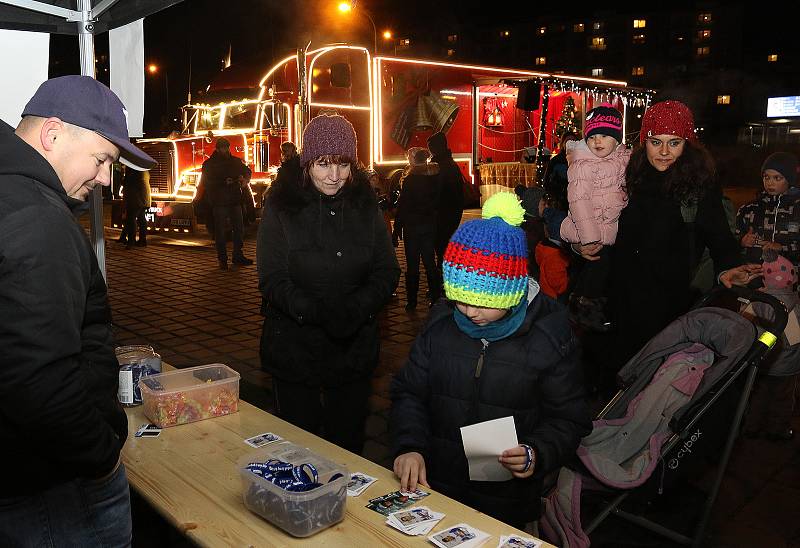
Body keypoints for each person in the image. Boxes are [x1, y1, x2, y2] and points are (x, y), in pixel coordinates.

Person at [0, 75, 156, 546]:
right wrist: (102, 457)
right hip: (52, 486)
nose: (106, 178)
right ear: (52, 134)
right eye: (103, 159)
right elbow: (38, 380)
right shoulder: (38, 219)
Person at [390, 192, 591, 529]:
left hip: (507, 502)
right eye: (461, 300)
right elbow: (408, 393)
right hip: (437, 486)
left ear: (512, 293)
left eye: (482, 302)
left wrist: (536, 453)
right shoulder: (440, 327)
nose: (469, 312)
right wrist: (410, 446)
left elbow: (570, 419)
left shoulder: (548, 337)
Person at [572, 100, 762, 369]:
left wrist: (728, 268)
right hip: (617, 304)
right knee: (615, 384)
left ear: (687, 144)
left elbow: (720, 240)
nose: (663, 152)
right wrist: (578, 245)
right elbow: (588, 219)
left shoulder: (699, 187)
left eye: (674, 142)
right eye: (655, 141)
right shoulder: (622, 178)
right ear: (644, 142)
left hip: (671, 309)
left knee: (658, 386)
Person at [257, 114, 400, 454]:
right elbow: (272, 278)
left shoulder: (366, 206)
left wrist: (359, 306)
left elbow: (387, 270)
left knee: (347, 445)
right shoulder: (280, 206)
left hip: (353, 350)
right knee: (297, 446)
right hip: (294, 346)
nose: (334, 177)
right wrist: (314, 309)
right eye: (323, 165)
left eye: (343, 165)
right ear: (308, 163)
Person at [559, 105, 630, 331]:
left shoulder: (621, 159)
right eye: (593, 136)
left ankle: (588, 307)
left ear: (617, 140)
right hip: (588, 228)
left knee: (602, 271)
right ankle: (582, 307)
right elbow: (578, 201)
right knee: (595, 270)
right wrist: (589, 237)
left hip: (606, 226)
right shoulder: (583, 164)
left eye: (605, 136)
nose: (598, 141)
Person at [742, 249, 799, 441]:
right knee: (782, 399)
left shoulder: (757, 301)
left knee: (757, 395)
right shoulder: (797, 303)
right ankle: (777, 430)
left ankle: (751, 426)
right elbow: (794, 338)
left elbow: (743, 326)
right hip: (788, 366)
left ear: (765, 280)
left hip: (762, 362)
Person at [392, 147, 442, 310]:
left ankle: (412, 301)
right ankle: (435, 298)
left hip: (412, 226)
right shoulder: (434, 177)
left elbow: (404, 205)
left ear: (414, 160)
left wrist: (397, 228)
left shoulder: (410, 179)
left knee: (412, 263)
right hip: (429, 224)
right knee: (429, 261)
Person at [736, 152, 800, 266]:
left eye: (777, 178)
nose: (770, 182)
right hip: (755, 273)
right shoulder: (749, 209)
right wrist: (742, 241)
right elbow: (731, 240)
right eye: (766, 177)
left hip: (790, 275)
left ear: (789, 179)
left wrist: (782, 247)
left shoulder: (797, 209)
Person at [201, 137, 253, 270]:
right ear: (217, 149)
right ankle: (222, 259)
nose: (225, 150)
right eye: (223, 148)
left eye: (227, 147)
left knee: (239, 229)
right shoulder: (209, 164)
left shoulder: (235, 161)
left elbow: (247, 171)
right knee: (220, 232)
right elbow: (207, 183)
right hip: (219, 202)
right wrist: (224, 182)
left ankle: (237, 256)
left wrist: (245, 179)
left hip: (234, 200)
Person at [428, 131, 465, 266]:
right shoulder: (451, 164)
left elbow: (436, 192)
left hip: (442, 212)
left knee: (441, 242)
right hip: (453, 210)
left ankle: (443, 271)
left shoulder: (438, 167)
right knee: (446, 241)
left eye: (430, 147)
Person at [537, 206, 570, 301]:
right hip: (554, 300)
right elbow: (559, 286)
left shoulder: (547, 249)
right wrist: (570, 279)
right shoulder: (554, 257)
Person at [542, 130, 579, 212]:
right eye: (568, 141)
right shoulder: (556, 161)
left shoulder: (581, 160)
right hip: (560, 200)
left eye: (573, 141)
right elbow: (547, 181)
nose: (570, 144)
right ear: (563, 144)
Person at [120, 163, 151, 248]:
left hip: (135, 199)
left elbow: (126, 182)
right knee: (141, 219)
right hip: (143, 197)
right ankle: (142, 240)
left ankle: (131, 241)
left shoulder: (134, 169)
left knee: (131, 219)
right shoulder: (143, 168)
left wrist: (122, 175)